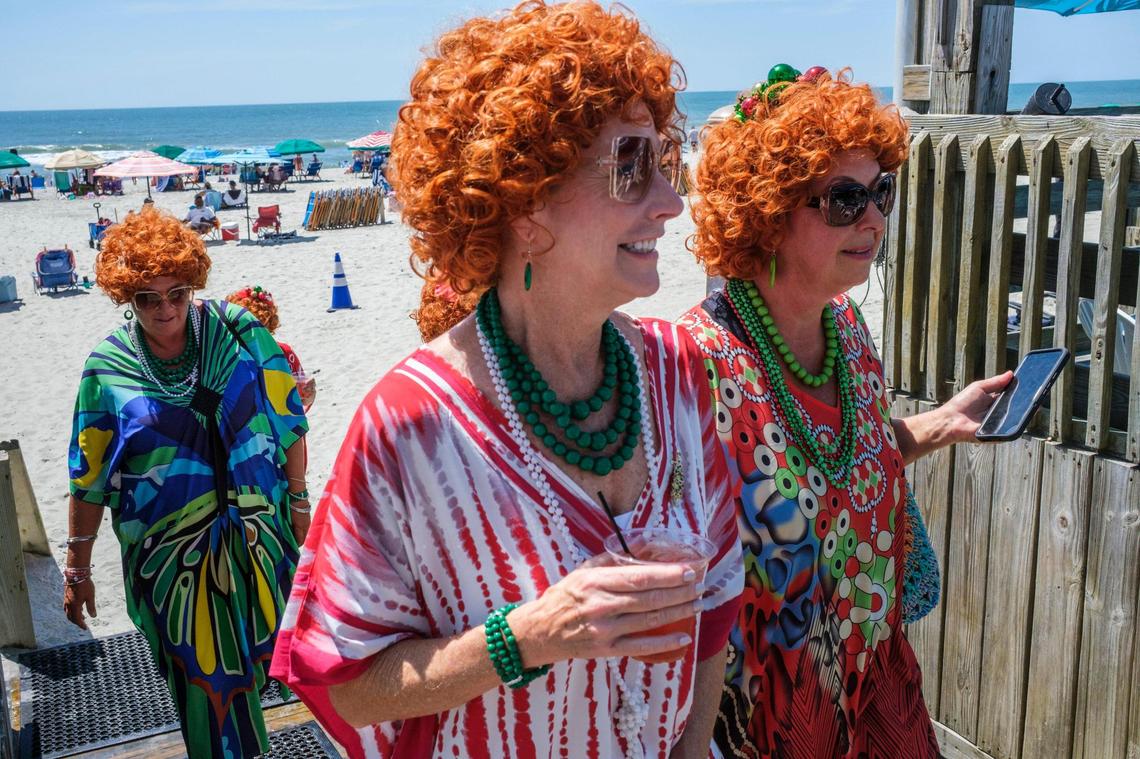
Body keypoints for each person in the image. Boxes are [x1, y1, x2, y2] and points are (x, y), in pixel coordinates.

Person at [270, 2, 744, 757]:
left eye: (666, 160)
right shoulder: (408, 426)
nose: (671, 201)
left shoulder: (679, 373)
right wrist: (524, 637)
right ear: (523, 200)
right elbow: (346, 686)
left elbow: (716, 601)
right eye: (631, 165)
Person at [678, 66, 1014, 758]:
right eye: (844, 199)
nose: (876, 218)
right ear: (766, 211)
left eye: (882, 192)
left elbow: (840, 460)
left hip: (880, 698)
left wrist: (943, 422)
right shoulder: (693, 364)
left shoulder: (849, 335)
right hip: (764, 725)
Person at [65, 207, 311, 758]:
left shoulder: (239, 331)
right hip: (174, 562)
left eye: (177, 293)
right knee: (210, 692)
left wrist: (299, 499)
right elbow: (87, 476)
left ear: (194, 284)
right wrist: (77, 566)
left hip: (262, 538)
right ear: (125, 296)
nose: (165, 309)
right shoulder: (105, 369)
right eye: (147, 298)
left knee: (282, 661)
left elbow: (290, 416)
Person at [225, 285, 316, 410]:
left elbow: (301, 399)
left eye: (260, 328)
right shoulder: (223, 356)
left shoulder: (284, 353)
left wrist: (307, 396)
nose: (252, 335)